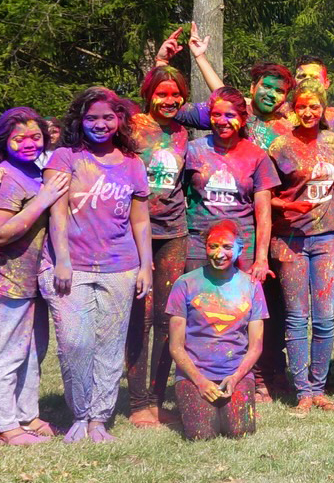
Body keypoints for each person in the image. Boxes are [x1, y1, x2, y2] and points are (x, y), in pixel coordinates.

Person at [43, 87, 152, 444]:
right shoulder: (65, 157)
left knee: (109, 344)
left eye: (108, 117)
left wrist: (146, 265)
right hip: (71, 266)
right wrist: (61, 260)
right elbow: (56, 211)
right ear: (80, 120)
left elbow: (140, 221)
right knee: (74, 341)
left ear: (120, 120)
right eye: (92, 118)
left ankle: (98, 420)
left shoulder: (133, 163)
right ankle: (79, 413)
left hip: (120, 265)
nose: (100, 124)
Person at [182, 87, 281, 400]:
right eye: (216, 114)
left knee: (241, 315)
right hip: (199, 244)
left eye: (230, 115)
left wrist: (260, 258)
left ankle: (250, 379)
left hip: (242, 249)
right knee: (199, 314)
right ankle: (195, 380)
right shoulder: (194, 150)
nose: (222, 121)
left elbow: (263, 215)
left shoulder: (256, 156)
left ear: (242, 118)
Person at [0, 108, 67, 446]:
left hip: (36, 279)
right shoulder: (2, 177)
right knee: (7, 353)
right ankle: (5, 426)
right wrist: (43, 199)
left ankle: (27, 415)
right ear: (5, 141)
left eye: (35, 137)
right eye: (20, 138)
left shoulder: (37, 171)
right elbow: (0, 233)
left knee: (33, 351)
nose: (29, 143)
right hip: (7, 279)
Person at [266, 81, 334, 414]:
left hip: (328, 238)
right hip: (290, 240)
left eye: (314, 106)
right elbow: (264, 196)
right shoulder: (280, 147)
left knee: (326, 319)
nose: (309, 112)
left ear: (323, 108)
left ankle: (319, 388)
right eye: (302, 106)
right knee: (297, 319)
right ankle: (302, 392)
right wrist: (286, 207)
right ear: (293, 109)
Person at [126, 62, 196, 427]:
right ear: (149, 95)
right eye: (161, 93)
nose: (169, 100)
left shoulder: (185, 133)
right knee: (141, 317)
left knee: (168, 319)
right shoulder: (132, 126)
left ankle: (156, 399)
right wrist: (157, 62)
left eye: (175, 94)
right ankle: (138, 403)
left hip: (174, 233)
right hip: (134, 234)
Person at [165, 221, 266, 441]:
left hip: (235, 373)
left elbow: (256, 345)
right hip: (195, 375)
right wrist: (199, 381)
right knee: (201, 435)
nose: (219, 254)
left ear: (239, 249)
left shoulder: (252, 286)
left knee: (239, 431)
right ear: (205, 248)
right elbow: (175, 346)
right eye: (213, 247)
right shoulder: (185, 284)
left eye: (227, 247)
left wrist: (237, 377)